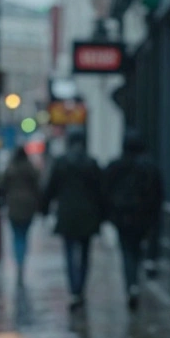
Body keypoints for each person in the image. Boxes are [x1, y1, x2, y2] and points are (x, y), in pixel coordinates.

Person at [40, 128, 104, 309]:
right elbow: (101, 191)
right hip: (88, 215)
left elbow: (50, 188)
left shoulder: (61, 162)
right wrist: (103, 215)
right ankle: (80, 288)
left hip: (67, 214)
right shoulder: (91, 163)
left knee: (69, 252)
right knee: (85, 253)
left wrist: (44, 209)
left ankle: (74, 289)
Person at [102, 130, 164, 309]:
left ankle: (131, 285)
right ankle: (138, 278)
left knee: (127, 251)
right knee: (137, 248)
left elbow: (105, 190)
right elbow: (158, 193)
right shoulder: (149, 166)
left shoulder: (115, 166)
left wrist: (109, 213)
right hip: (143, 216)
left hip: (122, 217)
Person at [0, 147, 42, 285]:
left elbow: (1, 186)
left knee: (16, 236)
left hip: (14, 206)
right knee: (24, 235)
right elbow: (38, 187)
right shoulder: (31, 169)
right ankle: (22, 261)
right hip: (28, 206)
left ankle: (18, 261)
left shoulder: (11, 169)